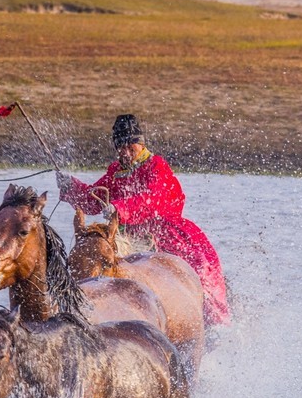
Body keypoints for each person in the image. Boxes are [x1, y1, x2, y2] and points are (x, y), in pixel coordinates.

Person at [57, 114, 231, 325]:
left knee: (197, 277)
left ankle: (207, 321)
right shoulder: (115, 172)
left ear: (141, 144)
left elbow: (154, 200)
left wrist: (119, 210)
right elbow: (95, 199)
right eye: (122, 148)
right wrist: (71, 187)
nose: (127, 153)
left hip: (165, 234)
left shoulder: (156, 166)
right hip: (127, 235)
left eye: (132, 148)